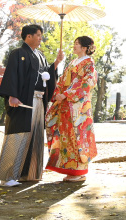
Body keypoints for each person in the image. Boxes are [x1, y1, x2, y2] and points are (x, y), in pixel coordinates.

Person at [0, 24, 63, 186]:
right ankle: (8, 176)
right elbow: (12, 75)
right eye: (38, 35)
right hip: (23, 100)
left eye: (41, 35)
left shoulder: (40, 55)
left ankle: (30, 174)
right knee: (19, 134)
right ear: (28, 36)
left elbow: (46, 75)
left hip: (39, 100)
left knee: (36, 136)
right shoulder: (18, 54)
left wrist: (56, 63)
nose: (40, 38)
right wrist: (12, 95)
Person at [45, 35, 98, 182]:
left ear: (85, 48)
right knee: (66, 135)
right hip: (65, 103)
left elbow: (87, 83)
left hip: (79, 106)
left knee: (78, 135)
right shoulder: (72, 62)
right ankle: (70, 169)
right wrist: (58, 94)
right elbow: (62, 80)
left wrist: (67, 94)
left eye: (77, 44)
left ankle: (79, 171)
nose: (74, 46)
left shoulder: (89, 63)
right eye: (74, 43)